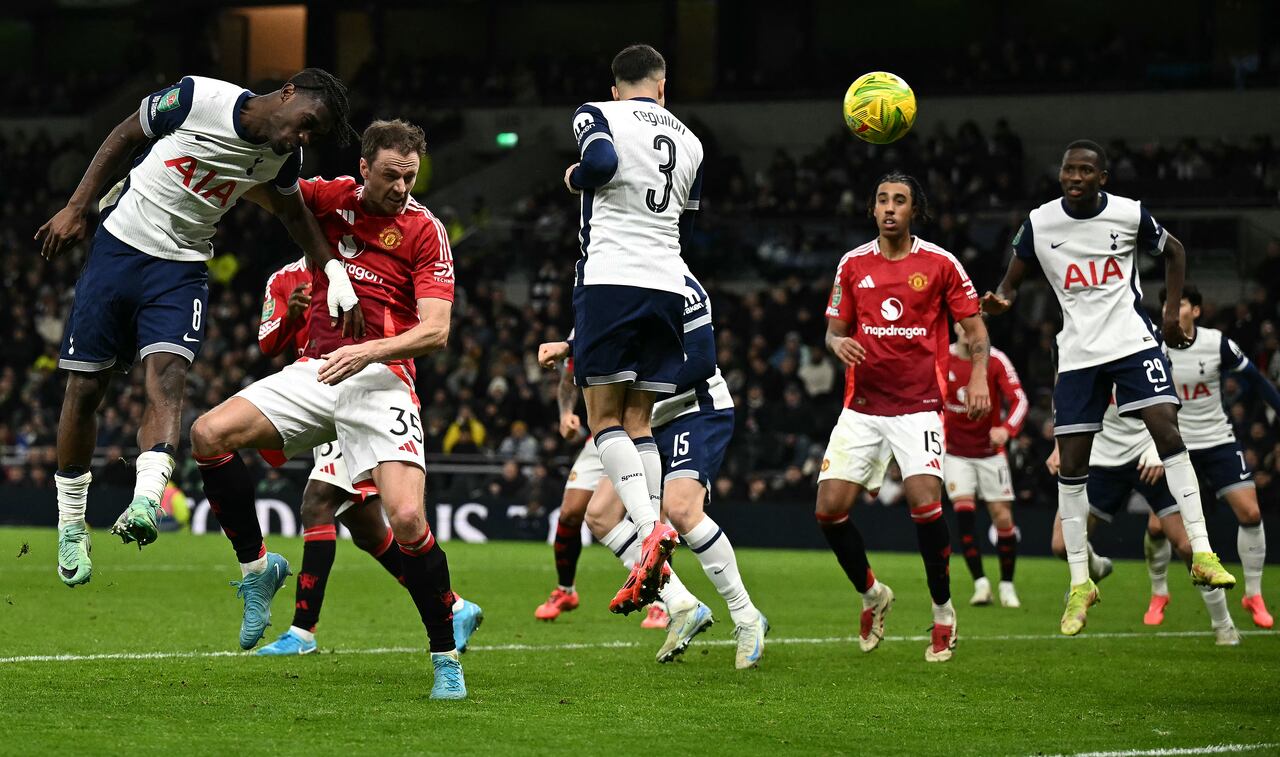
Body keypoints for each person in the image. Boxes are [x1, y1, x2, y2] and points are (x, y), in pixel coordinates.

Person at [40, 69, 363, 587]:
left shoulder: (284, 158)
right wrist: (78, 206)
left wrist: (332, 270)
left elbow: (292, 211)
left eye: (313, 137)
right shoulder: (196, 97)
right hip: (119, 246)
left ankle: (147, 501)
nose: (305, 138)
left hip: (181, 267)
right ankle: (71, 524)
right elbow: (126, 133)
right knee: (85, 387)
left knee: (167, 379)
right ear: (288, 94)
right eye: (308, 124)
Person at [187, 119, 469, 699]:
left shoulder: (424, 229)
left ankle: (445, 657)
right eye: (390, 174)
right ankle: (259, 567)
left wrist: (369, 349)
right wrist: (220, 160)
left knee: (408, 521)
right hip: (315, 371)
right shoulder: (330, 197)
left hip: (383, 378)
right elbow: (268, 190)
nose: (401, 187)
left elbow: (436, 331)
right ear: (364, 167)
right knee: (208, 434)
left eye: (410, 176)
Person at [983, 139, 1235, 635]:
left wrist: (1168, 311)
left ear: (1103, 177)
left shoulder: (1128, 214)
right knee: (1072, 465)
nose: (1074, 177)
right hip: (1077, 356)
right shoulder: (1039, 222)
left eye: (1084, 170)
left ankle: (1203, 551)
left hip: (1131, 341)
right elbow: (1011, 280)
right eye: (1067, 169)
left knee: (1167, 431)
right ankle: (1081, 583)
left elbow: (1175, 251)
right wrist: (1002, 299)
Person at [251, 257, 483, 657]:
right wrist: (292, 315)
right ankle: (454, 606)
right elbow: (269, 343)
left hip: (363, 391)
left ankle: (302, 631)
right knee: (367, 529)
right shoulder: (284, 278)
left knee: (317, 502)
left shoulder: (359, 262)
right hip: (318, 390)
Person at [542, 272, 769, 669]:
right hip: (640, 422)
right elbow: (586, 350)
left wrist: (637, 392)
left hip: (692, 410)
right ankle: (680, 603)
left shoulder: (684, 286)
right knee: (599, 516)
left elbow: (701, 360)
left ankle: (746, 615)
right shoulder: (608, 285)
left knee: (681, 510)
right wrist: (567, 347)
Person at [817, 172, 990, 663]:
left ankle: (942, 613)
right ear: (872, 210)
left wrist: (977, 377)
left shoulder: (940, 264)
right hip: (863, 407)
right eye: (882, 200)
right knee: (828, 512)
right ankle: (873, 594)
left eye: (900, 200)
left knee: (924, 503)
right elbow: (833, 331)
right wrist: (838, 344)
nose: (890, 208)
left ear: (915, 210)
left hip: (918, 406)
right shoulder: (852, 265)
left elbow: (975, 330)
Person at [563, 44, 708, 611]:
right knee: (639, 419)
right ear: (663, 87)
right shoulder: (691, 141)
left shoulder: (598, 113)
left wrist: (574, 176)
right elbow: (689, 230)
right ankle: (655, 530)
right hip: (669, 282)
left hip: (611, 279)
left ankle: (651, 530)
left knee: (602, 418)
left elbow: (599, 166)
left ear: (616, 84)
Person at [1046, 400, 1240, 646]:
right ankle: (1095, 568)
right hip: (1100, 458)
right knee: (1061, 545)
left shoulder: (1152, 359)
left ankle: (1223, 624)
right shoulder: (1070, 359)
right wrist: (1058, 446)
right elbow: (1063, 393)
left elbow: (1170, 394)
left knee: (1187, 546)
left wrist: (1160, 446)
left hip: (1147, 455)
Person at [1147, 284, 1280, 628]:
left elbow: (1256, 380)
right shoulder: (1155, 346)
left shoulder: (1217, 343)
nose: (1172, 312)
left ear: (1196, 311)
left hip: (1218, 440)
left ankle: (1253, 593)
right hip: (1176, 447)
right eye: (1167, 307)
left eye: (1180, 305)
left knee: (1251, 513)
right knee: (1157, 526)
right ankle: (1160, 592)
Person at [531, 355, 671, 631]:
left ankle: (662, 602)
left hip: (646, 428)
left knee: (652, 516)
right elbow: (570, 372)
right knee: (570, 512)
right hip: (602, 433)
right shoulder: (585, 321)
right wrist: (565, 413)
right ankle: (566, 590)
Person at [943, 323, 1029, 607]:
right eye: (962, 323)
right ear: (955, 327)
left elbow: (1019, 400)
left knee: (1003, 518)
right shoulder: (943, 358)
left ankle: (1007, 585)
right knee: (964, 513)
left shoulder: (996, 360)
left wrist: (1007, 430)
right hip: (955, 453)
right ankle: (980, 584)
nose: (967, 329)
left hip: (990, 452)